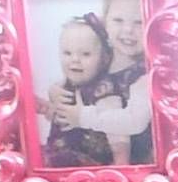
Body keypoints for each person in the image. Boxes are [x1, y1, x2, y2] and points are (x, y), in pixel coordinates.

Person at [49, 9, 143, 167]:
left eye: (85, 54)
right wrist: (52, 95)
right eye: (67, 53)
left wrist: (121, 162)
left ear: (104, 59)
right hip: (58, 159)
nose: (74, 60)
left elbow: (118, 134)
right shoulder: (65, 86)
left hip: (91, 165)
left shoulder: (104, 91)